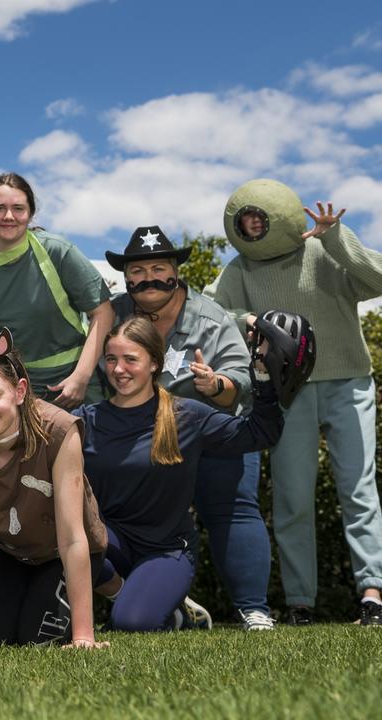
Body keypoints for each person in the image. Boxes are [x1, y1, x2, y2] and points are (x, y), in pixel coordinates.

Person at [207, 179, 382, 627]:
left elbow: (376, 279)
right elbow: (210, 313)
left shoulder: (323, 250)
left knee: (358, 490)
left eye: (259, 219)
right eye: (245, 221)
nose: (252, 227)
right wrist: (245, 317)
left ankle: (372, 594)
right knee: (292, 497)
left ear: (280, 218)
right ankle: (301, 603)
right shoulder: (240, 269)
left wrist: (336, 237)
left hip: (349, 383)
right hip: (288, 392)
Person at [105, 226, 275, 630]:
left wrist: (216, 385)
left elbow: (242, 377)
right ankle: (154, 599)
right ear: (126, 278)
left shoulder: (212, 317)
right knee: (122, 517)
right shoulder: (113, 313)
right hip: (144, 442)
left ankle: (255, 610)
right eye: (138, 271)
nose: (148, 278)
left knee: (232, 510)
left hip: (212, 430)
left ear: (176, 272)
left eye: (159, 267)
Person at [77, 316, 292, 632]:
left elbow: (260, 434)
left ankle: (172, 613)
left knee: (132, 623)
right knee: (60, 536)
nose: (118, 369)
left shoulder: (187, 416)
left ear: (154, 364)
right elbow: (35, 431)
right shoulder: (86, 419)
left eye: (130, 359)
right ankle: (128, 593)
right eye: (111, 359)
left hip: (167, 550)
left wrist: (263, 375)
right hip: (112, 544)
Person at [0, 329, 107, 649]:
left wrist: (84, 636)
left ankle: (102, 576)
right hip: (4, 549)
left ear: (19, 390)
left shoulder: (58, 430)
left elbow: (71, 538)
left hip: (58, 551)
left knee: (37, 640)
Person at [0, 173, 114, 408]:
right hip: (4, 388)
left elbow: (103, 312)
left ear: (30, 213)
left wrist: (80, 378)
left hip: (68, 385)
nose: (8, 216)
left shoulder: (58, 252)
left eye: (18, 208)